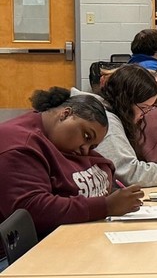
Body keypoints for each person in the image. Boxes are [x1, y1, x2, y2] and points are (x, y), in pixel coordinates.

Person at [0, 87, 143, 241]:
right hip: (14, 254)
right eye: (87, 136)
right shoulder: (19, 145)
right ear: (65, 114)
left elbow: (103, 165)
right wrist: (105, 206)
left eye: (93, 147)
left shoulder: (59, 140)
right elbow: (31, 210)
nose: (85, 150)